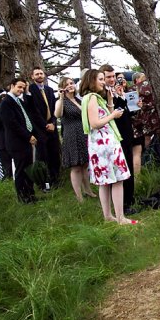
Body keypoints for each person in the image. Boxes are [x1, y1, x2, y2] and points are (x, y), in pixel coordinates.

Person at [80, 69, 135, 225]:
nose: (103, 82)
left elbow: (106, 115)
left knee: (104, 182)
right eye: (100, 79)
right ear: (91, 81)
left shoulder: (92, 98)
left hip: (100, 144)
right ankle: (121, 218)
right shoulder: (92, 98)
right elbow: (95, 123)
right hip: (104, 144)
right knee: (118, 180)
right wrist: (113, 115)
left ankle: (108, 216)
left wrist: (110, 101)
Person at [99, 65, 138, 215]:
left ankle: (130, 199)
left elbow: (125, 113)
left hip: (127, 134)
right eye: (108, 77)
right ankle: (124, 204)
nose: (112, 79)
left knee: (129, 169)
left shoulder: (116, 91)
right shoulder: (103, 95)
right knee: (121, 172)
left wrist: (127, 101)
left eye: (113, 76)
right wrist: (118, 99)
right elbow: (114, 114)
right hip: (115, 137)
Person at [54, 77, 95, 202]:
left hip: (83, 133)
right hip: (71, 135)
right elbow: (58, 114)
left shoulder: (78, 99)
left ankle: (87, 190)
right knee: (76, 166)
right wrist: (61, 97)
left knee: (85, 164)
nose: (70, 85)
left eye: (71, 83)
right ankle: (79, 196)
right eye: (67, 84)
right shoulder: (61, 101)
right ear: (62, 87)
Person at [0, 77, 39, 204]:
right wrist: (28, 136)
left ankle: (30, 194)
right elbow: (12, 123)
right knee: (21, 170)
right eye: (19, 87)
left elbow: (30, 112)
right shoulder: (6, 102)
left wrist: (27, 92)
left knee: (28, 169)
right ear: (12, 85)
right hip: (17, 142)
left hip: (25, 141)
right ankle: (23, 197)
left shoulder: (18, 101)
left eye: (23, 87)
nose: (21, 90)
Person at [29, 67, 61, 189]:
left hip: (52, 126)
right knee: (42, 157)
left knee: (54, 154)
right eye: (37, 74)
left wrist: (53, 123)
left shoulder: (49, 90)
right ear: (32, 77)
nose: (39, 75)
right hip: (39, 128)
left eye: (41, 73)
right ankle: (43, 183)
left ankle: (55, 179)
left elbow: (54, 109)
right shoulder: (30, 90)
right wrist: (44, 125)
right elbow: (33, 111)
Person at [131, 72, 160, 173]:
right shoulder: (140, 88)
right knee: (149, 138)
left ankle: (149, 158)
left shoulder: (136, 89)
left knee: (148, 139)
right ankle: (149, 158)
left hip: (144, 118)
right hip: (149, 117)